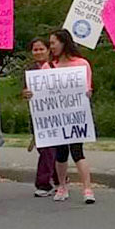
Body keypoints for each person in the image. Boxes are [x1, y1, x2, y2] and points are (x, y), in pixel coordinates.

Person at [43, 29, 97, 204]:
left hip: (75, 116)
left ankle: (87, 188)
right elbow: (41, 92)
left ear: (63, 42)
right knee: (60, 153)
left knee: (77, 151)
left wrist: (87, 93)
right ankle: (62, 186)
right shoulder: (48, 67)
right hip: (56, 117)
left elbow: (87, 88)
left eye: (53, 43)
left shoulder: (81, 64)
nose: (51, 47)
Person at [23, 37, 59, 197]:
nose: (38, 52)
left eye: (41, 49)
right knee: (45, 149)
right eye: (35, 50)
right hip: (37, 114)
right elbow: (25, 92)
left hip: (56, 113)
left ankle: (44, 183)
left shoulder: (56, 67)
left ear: (48, 50)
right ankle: (58, 178)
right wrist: (25, 93)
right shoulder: (30, 71)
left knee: (50, 148)